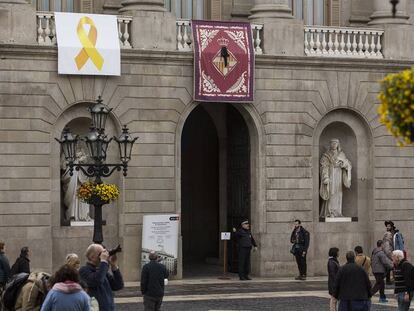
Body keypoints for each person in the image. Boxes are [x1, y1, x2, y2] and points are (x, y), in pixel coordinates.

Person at [79, 243, 124, 311]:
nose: (104, 256)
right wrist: (103, 262)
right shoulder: (84, 270)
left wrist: (114, 265)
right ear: (92, 257)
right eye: (101, 254)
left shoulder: (102, 271)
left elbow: (118, 285)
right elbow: (97, 281)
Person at [319, 138, 352, 218]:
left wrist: (343, 164)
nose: (334, 145)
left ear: (338, 145)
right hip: (331, 175)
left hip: (339, 175)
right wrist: (325, 177)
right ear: (330, 144)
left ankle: (337, 212)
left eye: (335, 143)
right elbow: (324, 166)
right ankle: (330, 212)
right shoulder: (326, 154)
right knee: (331, 193)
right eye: (332, 143)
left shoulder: (341, 154)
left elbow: (348, 164)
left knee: (338, 193)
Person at [61, 149, 91, 222]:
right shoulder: (68, 153)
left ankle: (83, 215)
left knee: (82, 197)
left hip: (81, 179)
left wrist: (82, 161)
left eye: (81, 155)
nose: (79, 156)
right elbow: (63, 167)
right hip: (73, 178)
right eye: (78, 155)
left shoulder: (83, 160)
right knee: (74, 196)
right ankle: (72, 214)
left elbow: (87, 167)